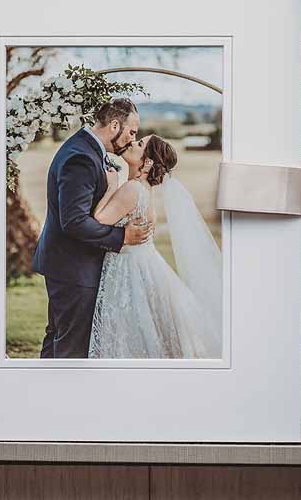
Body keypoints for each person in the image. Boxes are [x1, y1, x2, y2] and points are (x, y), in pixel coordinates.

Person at [32, 98, 154, 358]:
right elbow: (74, 221)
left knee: (58, 338)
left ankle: (40, 394)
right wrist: (122, 236)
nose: (132, 139)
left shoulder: (86, 149)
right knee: (71, 350)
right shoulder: (81, 158)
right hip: (74, 269)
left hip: (67, 265)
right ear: (113, 126)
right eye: (131, 132)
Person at [88, 134, 222, 359]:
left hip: (129, 268)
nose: (132, 142)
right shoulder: (144, 190)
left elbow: (100, 219)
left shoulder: (132, 189)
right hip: (146, 265)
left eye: (140, 144)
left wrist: (111, 187)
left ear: (148, 162)